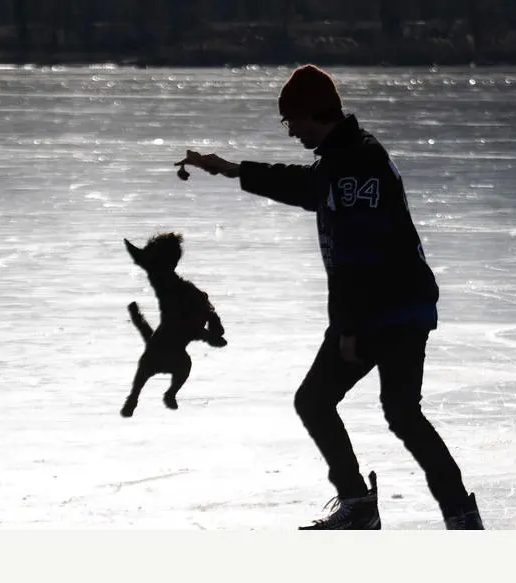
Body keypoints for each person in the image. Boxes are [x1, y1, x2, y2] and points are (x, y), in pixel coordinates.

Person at [174, 64, 484, 530]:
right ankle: (457, 514)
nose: (290, 131)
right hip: (403, 305)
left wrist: (350, 331)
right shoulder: (349, 155)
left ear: (309, 112)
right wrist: (232, 169)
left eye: (290, 121)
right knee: (399, 411)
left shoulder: (355, 164)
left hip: (389, 310)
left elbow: (357, 258)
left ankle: (362, 505)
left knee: (318, 402)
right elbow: (307, 187)